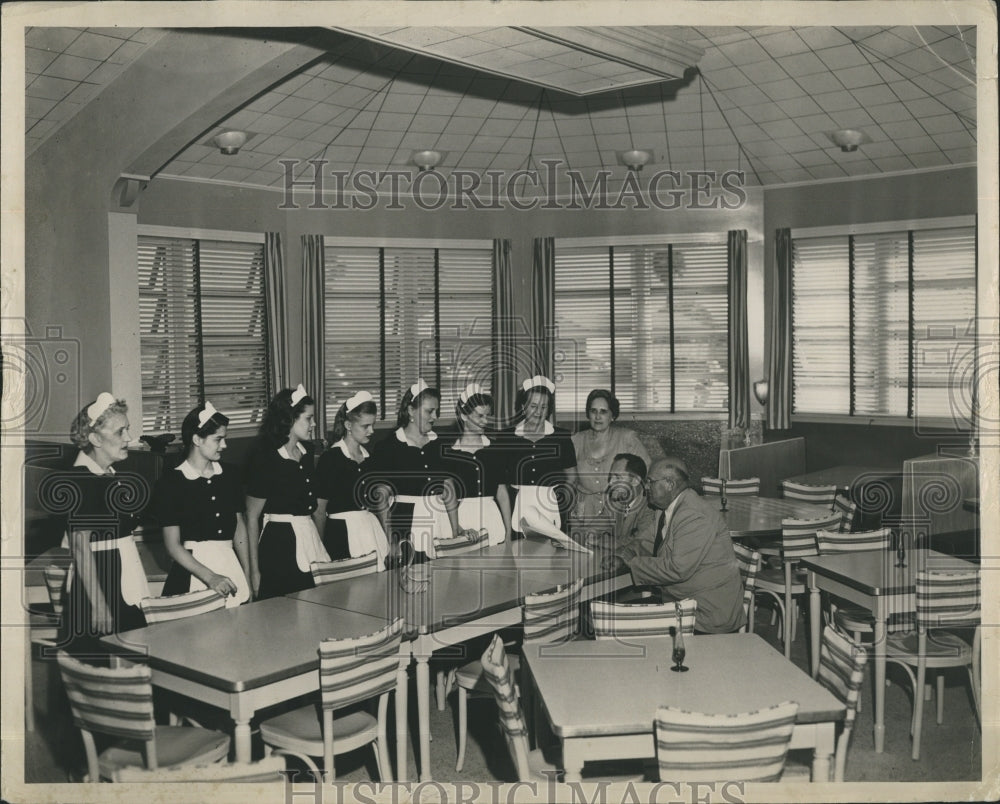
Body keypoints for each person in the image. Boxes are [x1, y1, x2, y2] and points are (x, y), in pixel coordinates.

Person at [607, 456, 745, 634]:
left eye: (650, 481)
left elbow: (677, 569)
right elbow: (646, 542)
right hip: (682, 602)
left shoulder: (694, 515)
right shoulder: (665, 509)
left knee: (616, 623)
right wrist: (622, 554)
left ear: (670, 484)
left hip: (706, 614)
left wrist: (632, 562)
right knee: (614, 616)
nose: (645, 487)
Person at [56, 393, 149, 657]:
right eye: (121, 432)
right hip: (100, 586)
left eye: (128, 429)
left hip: (122, 578)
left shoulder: (108, 476)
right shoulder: (81, 480)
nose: (128, 438)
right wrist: (98, 604)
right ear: (95, 439)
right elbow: (80, 547)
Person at [149, 402, 250, 607]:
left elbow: (239, 528)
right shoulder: (170, 483)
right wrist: (211, 577)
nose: (224, 445)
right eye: (218, 439)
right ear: (197, 439)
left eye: (225, 439)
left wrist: (247, 573)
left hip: (230, 564)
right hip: (192, 572)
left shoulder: (231, 475)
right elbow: (172, 545)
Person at [366, 379, 476, 563]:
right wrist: (390, 539)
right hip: (407, 528)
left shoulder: (439, 444)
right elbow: (382, 498)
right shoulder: (388, 447)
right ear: (410, 410)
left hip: (440, 523)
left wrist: (457, 529)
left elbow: (448, 489)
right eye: (429, 411)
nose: (434, 417)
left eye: (436, 411)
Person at [245, 384, 330, 598]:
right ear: (290, 419)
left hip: (308, 539)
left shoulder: (308, 452)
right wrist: (254, 571)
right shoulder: (266, 458)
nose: (314, 424)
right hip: (279, 546)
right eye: (309, 418)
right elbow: (252, 517)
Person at [313, 390, 389, 566]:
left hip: (370, 530)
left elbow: (380, 503)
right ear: (348, 425)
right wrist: (320, 548)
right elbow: (319, 510)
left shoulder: (369, 458)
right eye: (365, 426)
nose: (372, 431)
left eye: (373, 425)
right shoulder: (331, 459)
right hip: (341, 534)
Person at [499, 375, 577, 537]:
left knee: (553, 559)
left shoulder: (561, 437)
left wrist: (561, 504)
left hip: (552, 508)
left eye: (544, 407)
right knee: (520, 556)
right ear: (523, 406)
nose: (538, 412)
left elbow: (572, 477)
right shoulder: (507, 438)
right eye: (533, 405)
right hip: (517, 509)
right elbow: (499, 483)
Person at [570, 389, 651, 543]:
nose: (598, 416)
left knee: (616, 551)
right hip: (585, 511)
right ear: (588, 414)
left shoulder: (627, 438)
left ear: (612, 415)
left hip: (618, 509)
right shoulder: (576, 440)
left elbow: (645, 474)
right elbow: (569, 479)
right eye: (593, 411)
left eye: (603, 411)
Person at [436, 383, 511, 545]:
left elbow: (502, 493)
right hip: (461, 518)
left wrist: (509, 531)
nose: (485, 421)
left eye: (487, 416)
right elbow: (444, 497)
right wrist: (459, 528)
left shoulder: (494, 448)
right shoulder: (448, 452)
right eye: (479, 416)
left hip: (492, 517)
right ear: (464, 416)